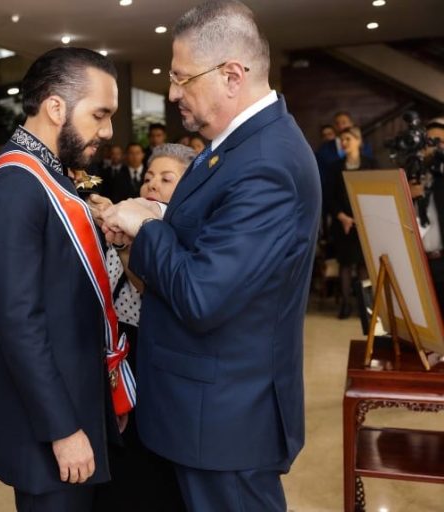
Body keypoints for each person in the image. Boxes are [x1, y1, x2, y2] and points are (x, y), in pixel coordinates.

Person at [100, 1, 320, 510]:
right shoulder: (233, 148)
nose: (173, 92)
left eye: (181, 78)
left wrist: (146, 226)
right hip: (204, 409)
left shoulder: (266, 164)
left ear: (231, 75)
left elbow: (203, 294)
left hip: (225, 417)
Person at [0, 47, 123, 512]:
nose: (108, 130)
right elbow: (18, 322)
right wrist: (62, 428)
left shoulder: (49, 171)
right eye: (99, 114)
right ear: (56, 107)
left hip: (77, 398)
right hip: (52, 426)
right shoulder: (15, 183)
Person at [90, 143, 195, 512]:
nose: (152, 185)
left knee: (145, 452)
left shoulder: (179, 234)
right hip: (117, 345)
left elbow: (149, 287)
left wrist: (125, 246)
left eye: (167, 179)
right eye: (149, 176)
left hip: (151, 349)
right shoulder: (124, 218)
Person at [326, 127, 377, 319]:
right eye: (342, 140)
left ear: (358, 140)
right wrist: (343, 217)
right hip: (343, 224)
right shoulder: (334, 167)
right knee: (345, 265)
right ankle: (346, 304)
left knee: (364, 265)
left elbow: (377, 193)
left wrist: (365, 217)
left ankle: (366, 308)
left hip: (366, 223)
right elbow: (329, 198)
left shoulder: (371, 164)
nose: (344, 143)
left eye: (348, 139)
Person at [410, 117, 444, 316]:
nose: (434, 147)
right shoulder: (413, 174)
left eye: (439, 142)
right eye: (430, 142)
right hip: (420, 264)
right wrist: (409, 195)